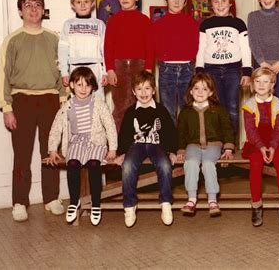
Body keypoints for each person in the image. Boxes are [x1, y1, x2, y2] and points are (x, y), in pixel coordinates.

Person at [0, 0, 67, 222]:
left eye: (38, 5)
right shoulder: (12, 40)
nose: (34, 9)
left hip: (50, 101)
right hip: (22, 101)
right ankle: (19, 202)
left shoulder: (54, 39)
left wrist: (64, 103)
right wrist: (6, 108)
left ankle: (51, 198)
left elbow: (62, 75)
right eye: (28, 5)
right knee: (22, 154)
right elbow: (2, 77)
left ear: (43, 10)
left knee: (51, 152)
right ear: (20, 10)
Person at [47, 67, 117, 226]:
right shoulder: (67, 106)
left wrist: (112, 148)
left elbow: (110, 126)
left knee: (94, 165)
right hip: (76, 142)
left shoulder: (98, 104)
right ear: (71, 85)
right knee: (72, 164)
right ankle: (74, 201)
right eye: (79, 85)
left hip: (96, 142)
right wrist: (52, 150)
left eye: (87, 85)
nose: (83, 89)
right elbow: (56, 128)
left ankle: (96, 203)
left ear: (93, 86)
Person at [116, 71, 177, 227]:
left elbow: (170, 132)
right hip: (136, 145)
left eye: (147, 88)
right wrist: (121, 153)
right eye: (139, 89)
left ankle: (165, 203)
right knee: (128, 166)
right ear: (133, 92)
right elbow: (124, 134)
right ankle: (129, 206)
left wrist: (172, 151)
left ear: (154, 90)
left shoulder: (161, 110)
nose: (144, 93)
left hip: (157, 145)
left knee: (164, 165)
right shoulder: (131, 112)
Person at [195, 0, 252, 134]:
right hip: (211, 69)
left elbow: (246, 49)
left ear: (230, 2)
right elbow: (200, 48)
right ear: (210, 4)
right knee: (215, 106)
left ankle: (230, 143)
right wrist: (199, 71)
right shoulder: (205, 24)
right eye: (216, 1)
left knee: (232, 106)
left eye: (224, 1)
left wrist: (247, 72)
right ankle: (217, 141)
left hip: (233, 70)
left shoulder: (238, 24)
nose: (220, 5)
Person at [177, 72, 235, 217]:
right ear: (191, 91)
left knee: (209, 163)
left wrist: (228, 148)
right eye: (196, 88)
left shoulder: (219, 110)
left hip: (213, 145)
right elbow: (181, 133)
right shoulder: (185, 112)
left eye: (204, 89)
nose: (200, 92)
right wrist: (181, 149)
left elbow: (228, 129)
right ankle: (191, 199)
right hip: (193, 145)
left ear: (211, 92)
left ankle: (212, 200)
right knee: (190, 162)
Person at [242, 67, 279, 227]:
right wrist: (262, 147)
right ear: (252, 84)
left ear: (272, 85)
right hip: (256, 143)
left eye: (266, 81)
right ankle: (256, 205)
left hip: (276, 142)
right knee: (255, 165)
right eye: (257, 81)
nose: (261, 85)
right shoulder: (248, 105)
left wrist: (273, 146)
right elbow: (250, 130)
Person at [104, 0, 154, 130]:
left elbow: (150, 47)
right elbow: (108, 47)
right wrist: (110, 69)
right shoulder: (113, 21)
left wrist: (149, 70)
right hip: (118, 66)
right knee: (119, 106)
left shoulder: (145, 20)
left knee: (140, 104)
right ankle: (118, 143)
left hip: (139, 65)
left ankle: (142, 139)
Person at [153, 0, 199, 123]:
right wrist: (163, 57)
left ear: (185, 2)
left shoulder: (191, 22)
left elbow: (196, 44)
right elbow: (155, 46)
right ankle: (171, 143)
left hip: (187, 69)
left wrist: (190, 59)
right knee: (167, 110)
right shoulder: (159, 24)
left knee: (189, 108)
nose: (177, 2)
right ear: (166, 0)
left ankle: (188, 142)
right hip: (167, 69)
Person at [58, 0, 107, 99]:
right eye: (79, 2)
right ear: (72, 5)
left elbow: (105, 49)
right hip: (75, 69)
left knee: (98, 104)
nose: (83, 5)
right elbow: (63, 50)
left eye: (86, 1)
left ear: (93, 3)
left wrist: (105, 72)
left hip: (96, 69)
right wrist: (64, 72)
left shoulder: (99, 24)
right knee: (78, 104)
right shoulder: (68, 24)